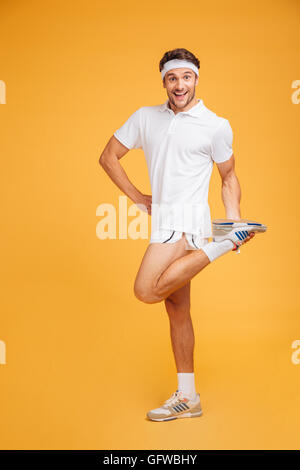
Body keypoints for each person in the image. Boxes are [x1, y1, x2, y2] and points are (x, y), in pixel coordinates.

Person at [99, 48, 267, 422]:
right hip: (163, 222)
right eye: (172, 78)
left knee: (145, 290)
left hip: (188, 225)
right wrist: (138, 196)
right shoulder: (146, 118)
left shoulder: (215, 125)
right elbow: (108, 156)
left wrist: (231, 220)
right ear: (164, 81)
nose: (180, 85)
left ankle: (224, 243)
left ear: (196, 80)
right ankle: (188, 397)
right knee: (177, 309)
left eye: (186, 77)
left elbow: (228, 176)